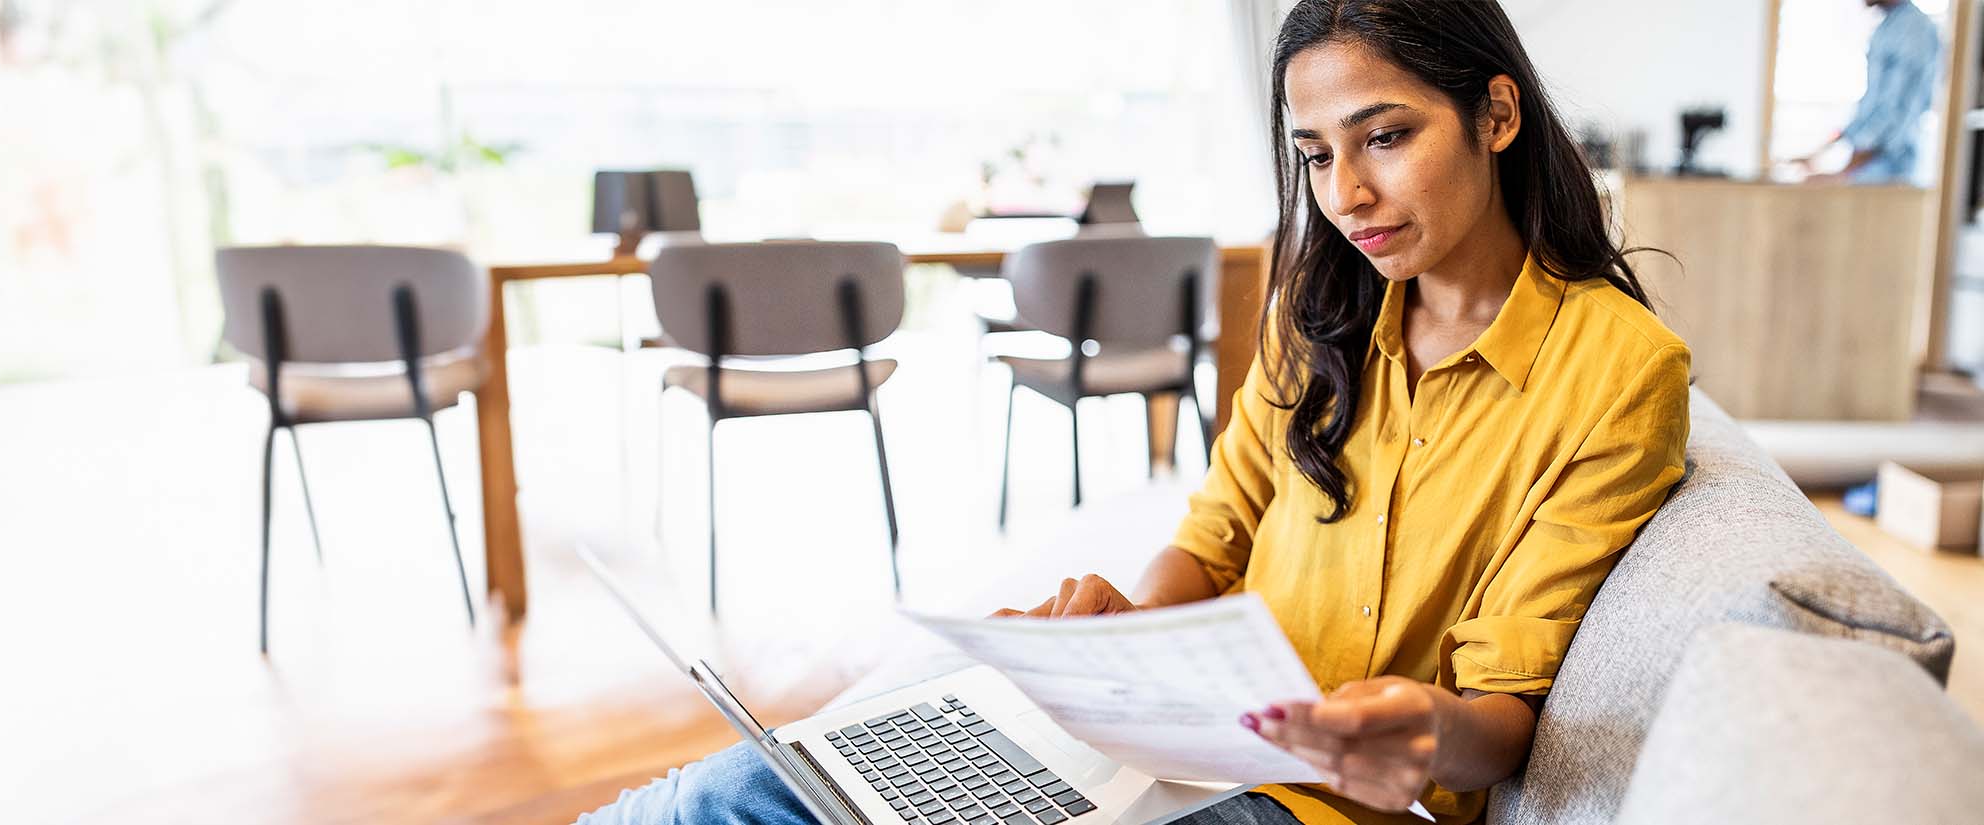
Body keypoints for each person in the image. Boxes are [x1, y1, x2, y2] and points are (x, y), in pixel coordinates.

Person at [578, 1, 1691, 823]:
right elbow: (1210, 545)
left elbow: (1501, 717)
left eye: (1385, 137)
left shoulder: (1614, 371)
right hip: (1164, 750)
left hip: (1316, 812)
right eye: (1315, 155)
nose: (1345, 193)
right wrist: (1131, 634)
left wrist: (1422, 735)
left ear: (1495, 114)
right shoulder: (1321, 314)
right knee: (743, 791)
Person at [1791, 0, 1942, 184]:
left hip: (1892, 178)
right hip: (1868, 172)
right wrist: (1818, 152)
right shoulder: (1889, 26)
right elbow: (1870, 109)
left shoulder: (1914, 30)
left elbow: (1895, 117)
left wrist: (1842, 174)